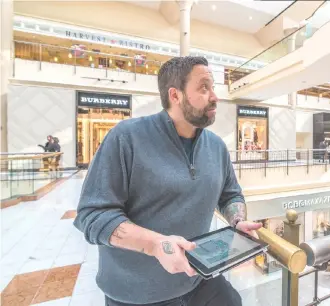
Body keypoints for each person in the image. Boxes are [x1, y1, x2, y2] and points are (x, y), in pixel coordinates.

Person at [74, 56, 262, 306]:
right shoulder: (126, 138)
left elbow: (230, 194)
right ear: (175, 95)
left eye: (213, 87)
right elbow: (92, 216)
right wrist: (155, 244)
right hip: (136, 293)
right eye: (204, 87)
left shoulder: (215, 146)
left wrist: (236, 221)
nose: (215, 97)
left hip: (196, 276)